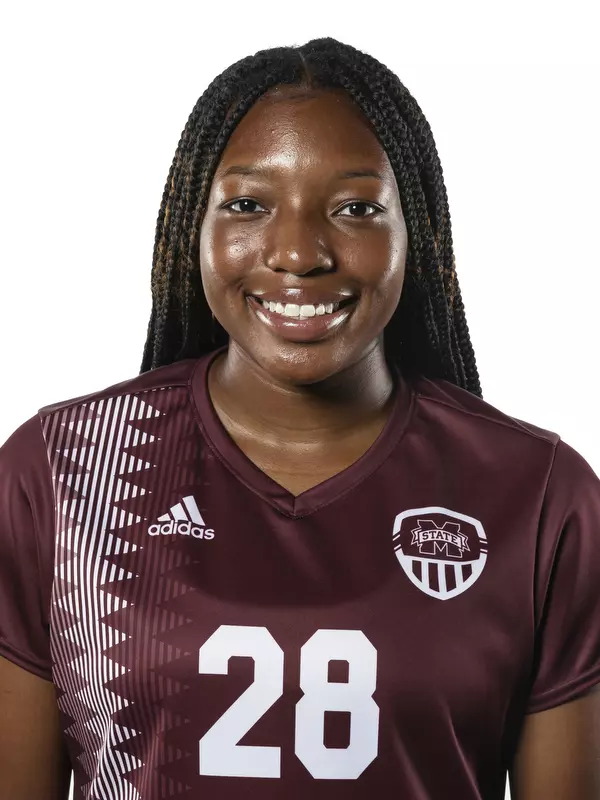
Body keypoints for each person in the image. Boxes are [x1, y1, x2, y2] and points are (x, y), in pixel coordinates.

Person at [0, 36, 599, 800]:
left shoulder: (537, 494)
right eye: (249, 205)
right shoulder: (67, 471)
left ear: (416, 231)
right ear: (192, 223)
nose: (297, 252)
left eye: (356, 208)